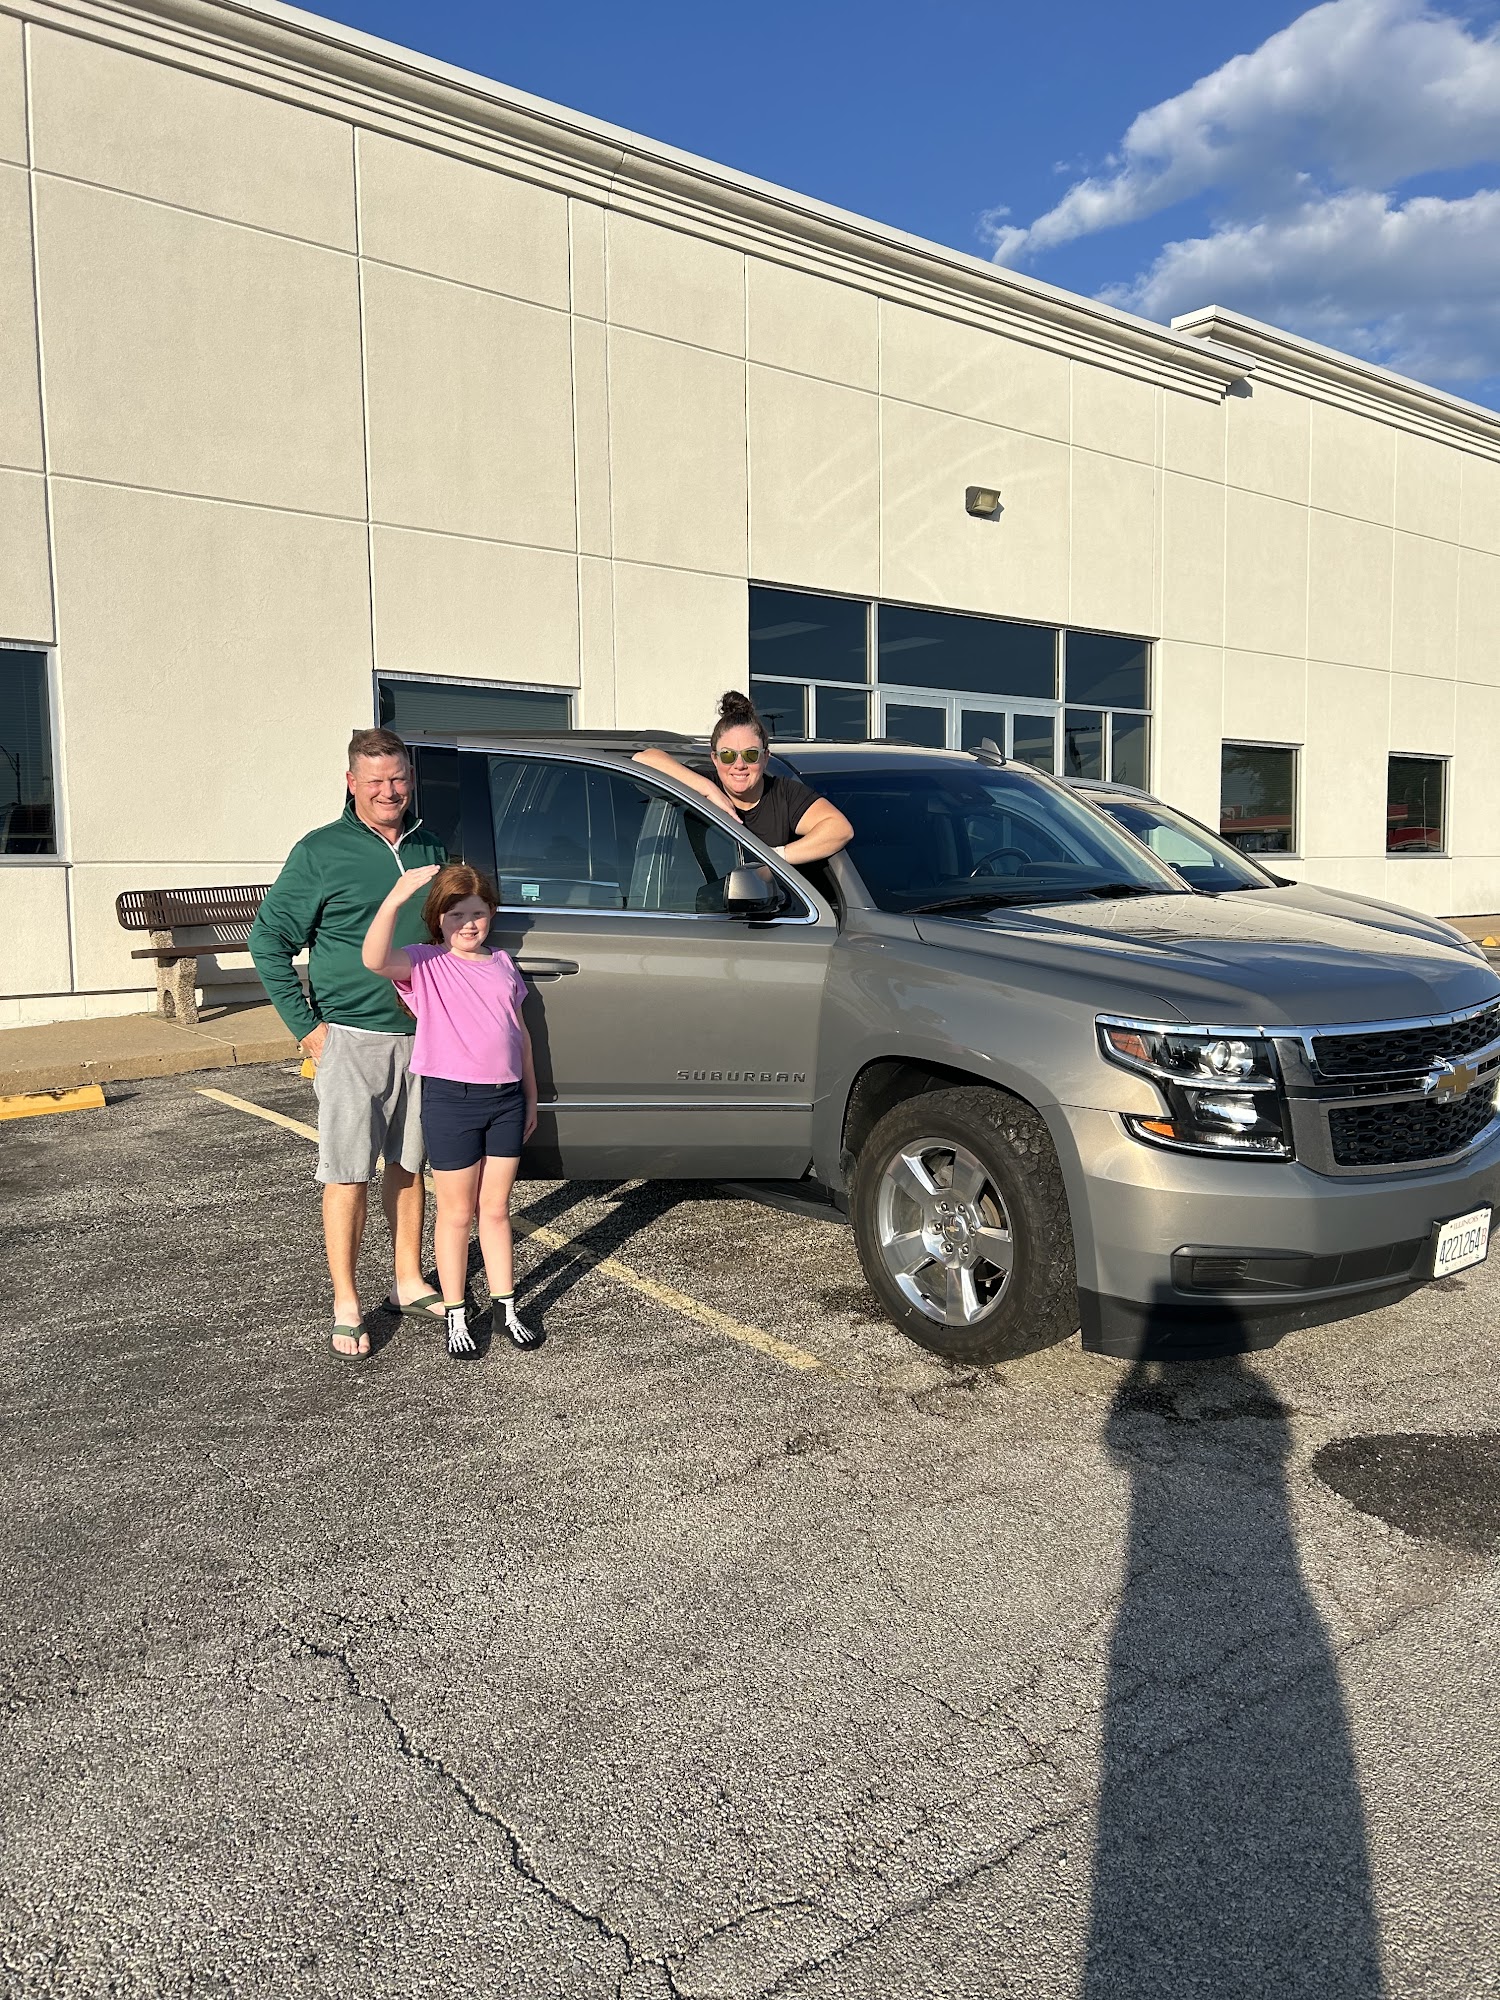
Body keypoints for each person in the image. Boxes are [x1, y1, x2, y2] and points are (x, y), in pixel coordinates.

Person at [248, 727, 448, 1358]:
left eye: (399, 778)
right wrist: (307, 1027)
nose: (390, 791)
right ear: (351, 783)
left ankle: (408, 1281)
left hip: (424, 1035)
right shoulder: (321, 851)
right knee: (347, 1172)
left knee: (410, 1166)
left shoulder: (433, 844)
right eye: (376, 780)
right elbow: (268, 942)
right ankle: (346, 1300)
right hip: (351, 1036)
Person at [362, 862, 541, 1360]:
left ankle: (506, 1308)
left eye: (477, 913)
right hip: (451, 1102)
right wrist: (395, 896)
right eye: (456, 914)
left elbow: (520, 1034)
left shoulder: (502, 962)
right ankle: (457, 1312)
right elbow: (374, 959)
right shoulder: (426, 963)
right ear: (438, 917)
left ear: (491, 914)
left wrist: (530, 1095)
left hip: (506, 1100)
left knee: (496, 1210)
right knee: (457, 1213)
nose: (468, 924)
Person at [632, 689, 853, 864]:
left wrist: (773, 859)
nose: (739, 765)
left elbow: (839, 829)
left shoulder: (783, 793)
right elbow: (643, 759)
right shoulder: (699, 785)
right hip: (697, 905)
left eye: (750, 755)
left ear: (765, 757)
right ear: (715, 758)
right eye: (728, 755)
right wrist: (708, 790)